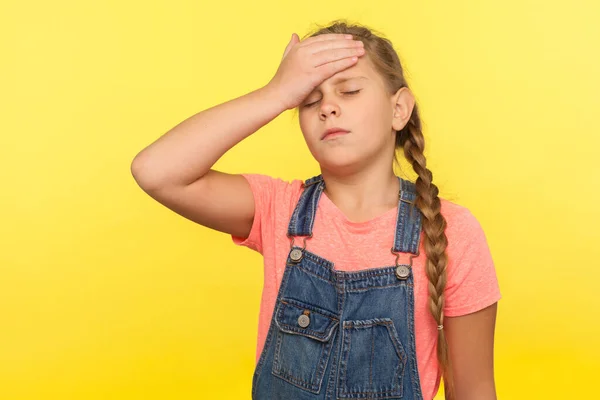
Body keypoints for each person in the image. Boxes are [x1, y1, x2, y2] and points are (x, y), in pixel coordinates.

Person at [131, 20, 501, 400]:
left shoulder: (451, 232)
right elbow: (155, 171)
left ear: (399, 109)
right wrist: (275, 93)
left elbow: (473, 390)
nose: (328, 108)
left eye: (350, 90)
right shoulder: (279, 209)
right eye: (309, 100)